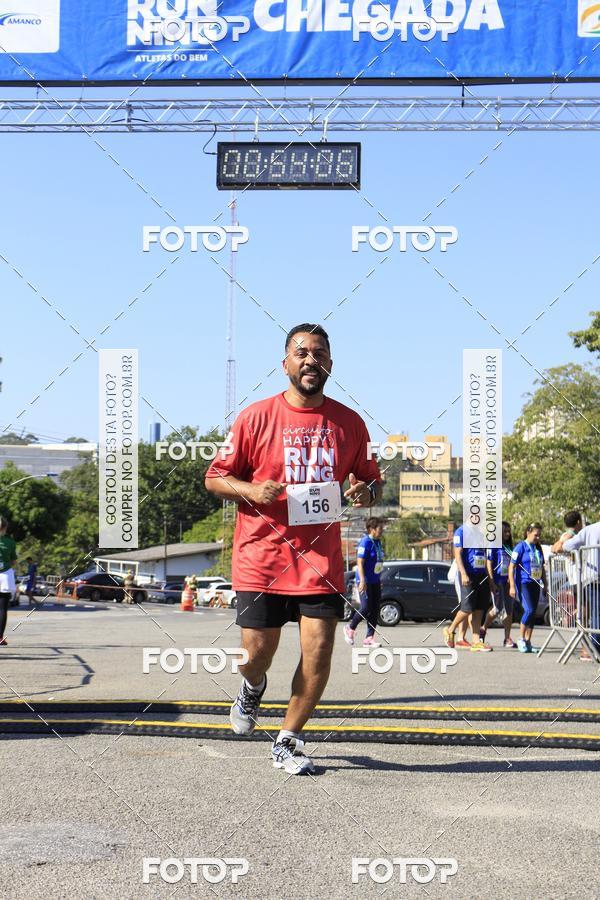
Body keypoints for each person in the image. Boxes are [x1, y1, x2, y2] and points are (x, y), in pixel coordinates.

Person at [205, 323, 382, 775]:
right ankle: (253, 686)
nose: (310, 360)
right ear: (285, 362)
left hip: (320, 562)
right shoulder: (255, 417)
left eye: (319, 353)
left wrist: (366, 491)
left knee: (319, 649)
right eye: (301, 352)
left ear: (330, 364)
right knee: (255, 653)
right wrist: (252, 490)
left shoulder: (349, 423)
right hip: (261, 558)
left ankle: (288, 739)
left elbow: (370, 479)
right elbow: (214, 477)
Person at [555, 517, 600, 660]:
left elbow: (563, 547)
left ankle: (591, 649)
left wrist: (561, 544)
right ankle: (592, 649)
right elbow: (561, 547)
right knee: (589, 615)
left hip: (588, 579)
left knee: (589, 615)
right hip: (588, 580)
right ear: (578, 522)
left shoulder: (588, 530)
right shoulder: (578, 532)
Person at [444, 524, 492, 652]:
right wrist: (463, 573)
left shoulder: (480, 534)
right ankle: (450, 630)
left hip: (481, 574)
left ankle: (476, 642)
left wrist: (489, 579)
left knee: (479, 609)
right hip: (468, 574)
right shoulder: (461, 531)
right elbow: (457, 554)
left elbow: (484, 556)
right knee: (467, 608)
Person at [344, 517, 385, 648]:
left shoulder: (378, 542)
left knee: (374, 609)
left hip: (375, 580)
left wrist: (379, 578)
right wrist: (362, 580)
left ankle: (369, 638)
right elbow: (360, 563)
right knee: (366, 607)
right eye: (380, 528)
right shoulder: (365, 542)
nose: (382, 531)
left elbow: (378, 562)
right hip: (365, 580)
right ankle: (350, 628)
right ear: (372, 529)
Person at [509, 523, 548, 653]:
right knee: (529, 610)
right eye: (535, 535)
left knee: (533, 613)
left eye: (539, 535)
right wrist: (512, 586)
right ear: (528, 532)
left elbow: (541, 567)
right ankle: (521, 638)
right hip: (524, 583)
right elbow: (511, 567)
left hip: (535, 583)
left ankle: (528, 641)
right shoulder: (520, 547)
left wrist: (545, 584)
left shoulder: (537, 549)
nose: (538, 537)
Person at [482, 521, 516, 648]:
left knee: (509, 609)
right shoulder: (493, 545)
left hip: (508, 581)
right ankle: (483, 628)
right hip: (497, 581)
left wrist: (512, 580)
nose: (507, 533)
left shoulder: (509, 547)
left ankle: (507, 638)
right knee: (497, 608)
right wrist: (491, 582)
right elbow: (488, 564)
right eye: (505, 531)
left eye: (509, 531)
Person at [0, 517, 18, 647]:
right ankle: (0, 637)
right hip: (5, 575)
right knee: (2, 609)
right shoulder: (10, 542)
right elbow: (13, 561)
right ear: (5, 528)